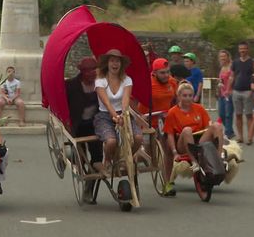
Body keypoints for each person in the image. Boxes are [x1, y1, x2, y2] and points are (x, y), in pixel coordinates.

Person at [93, 49, 143, 172]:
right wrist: (115, 116)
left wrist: (122, 115)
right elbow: (106, 102)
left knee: (138, 138)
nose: (115, 64)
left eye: (118, 61)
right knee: (111, 141)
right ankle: (108, 159)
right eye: (112, 61)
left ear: (121, 64)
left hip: (124, 113)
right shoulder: (100, 80)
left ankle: (126, 158)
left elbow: (125, 101)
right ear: (107, 63)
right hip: (105, 115)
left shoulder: (127, 80)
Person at [137, 57, 178, 196]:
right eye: (162, 73)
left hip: (164, 122)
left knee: (167, 151)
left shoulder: (172, 82)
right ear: (154, 73)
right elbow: (132, 100)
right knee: (150, 156)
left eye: (168, 72)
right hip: (147, 122)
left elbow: (175, 100)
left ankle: (167, 182)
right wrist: (138, 117)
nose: (166, 75)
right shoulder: (146, 83)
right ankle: (137, 155)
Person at [163, 83, 224, 175]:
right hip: (183, 143)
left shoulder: (199, 108)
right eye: (184, 95)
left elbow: (208, 127)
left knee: (217, 125)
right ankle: (194, 162)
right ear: (178, 96)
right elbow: (170, 134)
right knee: (187, 130)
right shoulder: (172, 112)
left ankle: (219, 157)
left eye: (190, 95)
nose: (188, 98)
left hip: (199, 140)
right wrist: (174, 152)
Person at [65, 57, 103, 203]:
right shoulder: (70, 85)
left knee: (97, 160)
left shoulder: (100, 84)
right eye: (89, 71)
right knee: (80, 158)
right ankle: (72, 156)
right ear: (82, 72)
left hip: (95, 125)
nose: (93, 73)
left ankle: (89, 188)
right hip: (77, 124)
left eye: (95, 70)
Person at [231, 41, 254, 144]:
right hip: (236, 90)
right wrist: (229, 88)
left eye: (244, 49)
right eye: (241, 49)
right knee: (238, 114)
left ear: (248, 49)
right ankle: (240, 136)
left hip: (248, 91)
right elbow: (232, 76)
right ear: (238, 50)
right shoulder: (235, 62)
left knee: (249, 115)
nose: (242, 51)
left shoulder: (252, 62)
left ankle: (249, 136)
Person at [217, 50, 235, 139]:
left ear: (228, 57)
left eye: (224, 56)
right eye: (221, 56)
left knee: (228, 114)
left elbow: (232, 78)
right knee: (221, 114)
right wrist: (219, 85)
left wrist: (228, 90)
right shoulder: (222, 68)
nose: (222, 58)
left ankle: (228, 132)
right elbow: (221, 79)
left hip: (229, 94)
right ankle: (230, 130)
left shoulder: (231, 67)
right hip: (221, 93)